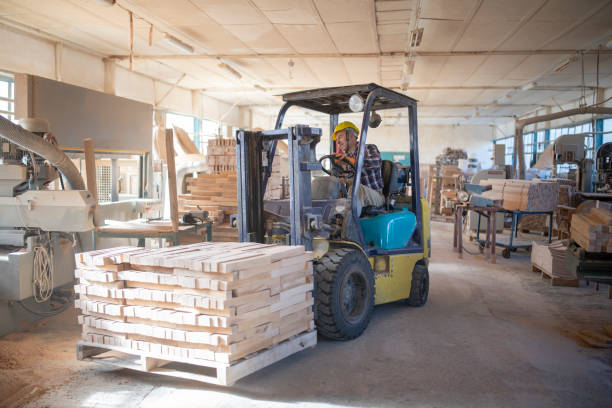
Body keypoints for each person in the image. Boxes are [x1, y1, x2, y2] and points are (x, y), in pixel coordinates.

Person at [331, 121, 385, 208]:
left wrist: (351, 161)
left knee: (356, 189)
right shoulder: (345, 157)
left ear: (351, 135)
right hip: (353, 197)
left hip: (375, 195)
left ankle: (348, 218)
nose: (337, 142)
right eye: (336, 139)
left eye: (340, 137)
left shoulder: (368, 148)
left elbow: (374, 163)